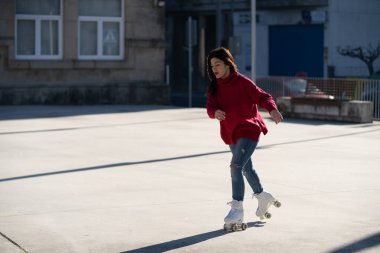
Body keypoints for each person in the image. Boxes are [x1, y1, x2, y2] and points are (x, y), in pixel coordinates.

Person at [206, 47, 283, 231]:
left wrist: (272, 109)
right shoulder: (214, 87)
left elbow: (263, 96)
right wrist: (214, 112)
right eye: (211, 66)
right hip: (231, 132)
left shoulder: (243, 83)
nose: (214, 68)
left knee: (236, 167)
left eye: (218, 64)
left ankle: (237, 209)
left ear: (228, 64)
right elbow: (210, 106)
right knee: (247, 169)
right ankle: (263, 196)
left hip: (249, 129)